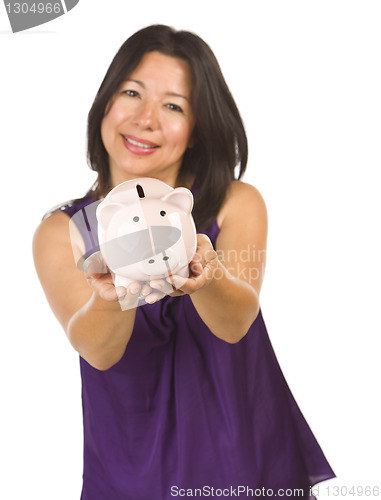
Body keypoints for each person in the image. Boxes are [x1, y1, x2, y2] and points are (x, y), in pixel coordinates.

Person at [33, 24, 335, 500]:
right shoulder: (65, 231)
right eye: (132, 92)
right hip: (129, 472)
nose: (146, 118)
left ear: (196, 130)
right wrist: (111, 293)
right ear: (105, 103)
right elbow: (97, 348)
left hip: (246, 463)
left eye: (173, 105)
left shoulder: (235, 203)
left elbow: (236, 320)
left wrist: (208, 274)